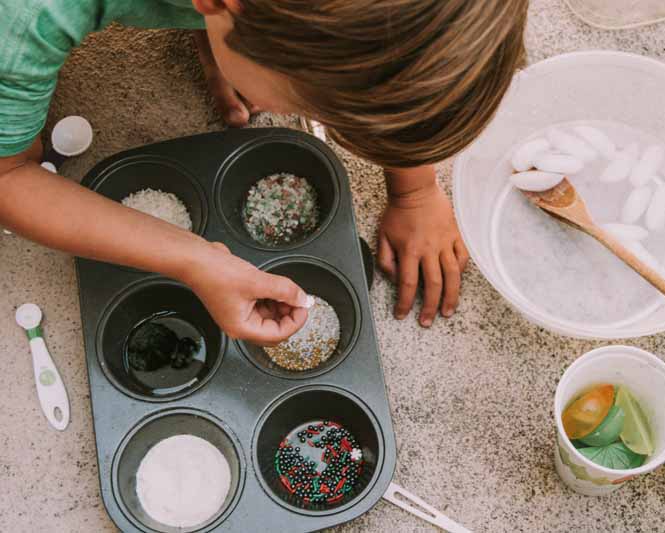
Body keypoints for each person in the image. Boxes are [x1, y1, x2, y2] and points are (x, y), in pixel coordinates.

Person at [0, 0, 528, 344]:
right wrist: (191, 258)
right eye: (322, 112)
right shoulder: (24, 21)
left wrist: (414, 188)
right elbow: (9, 178)